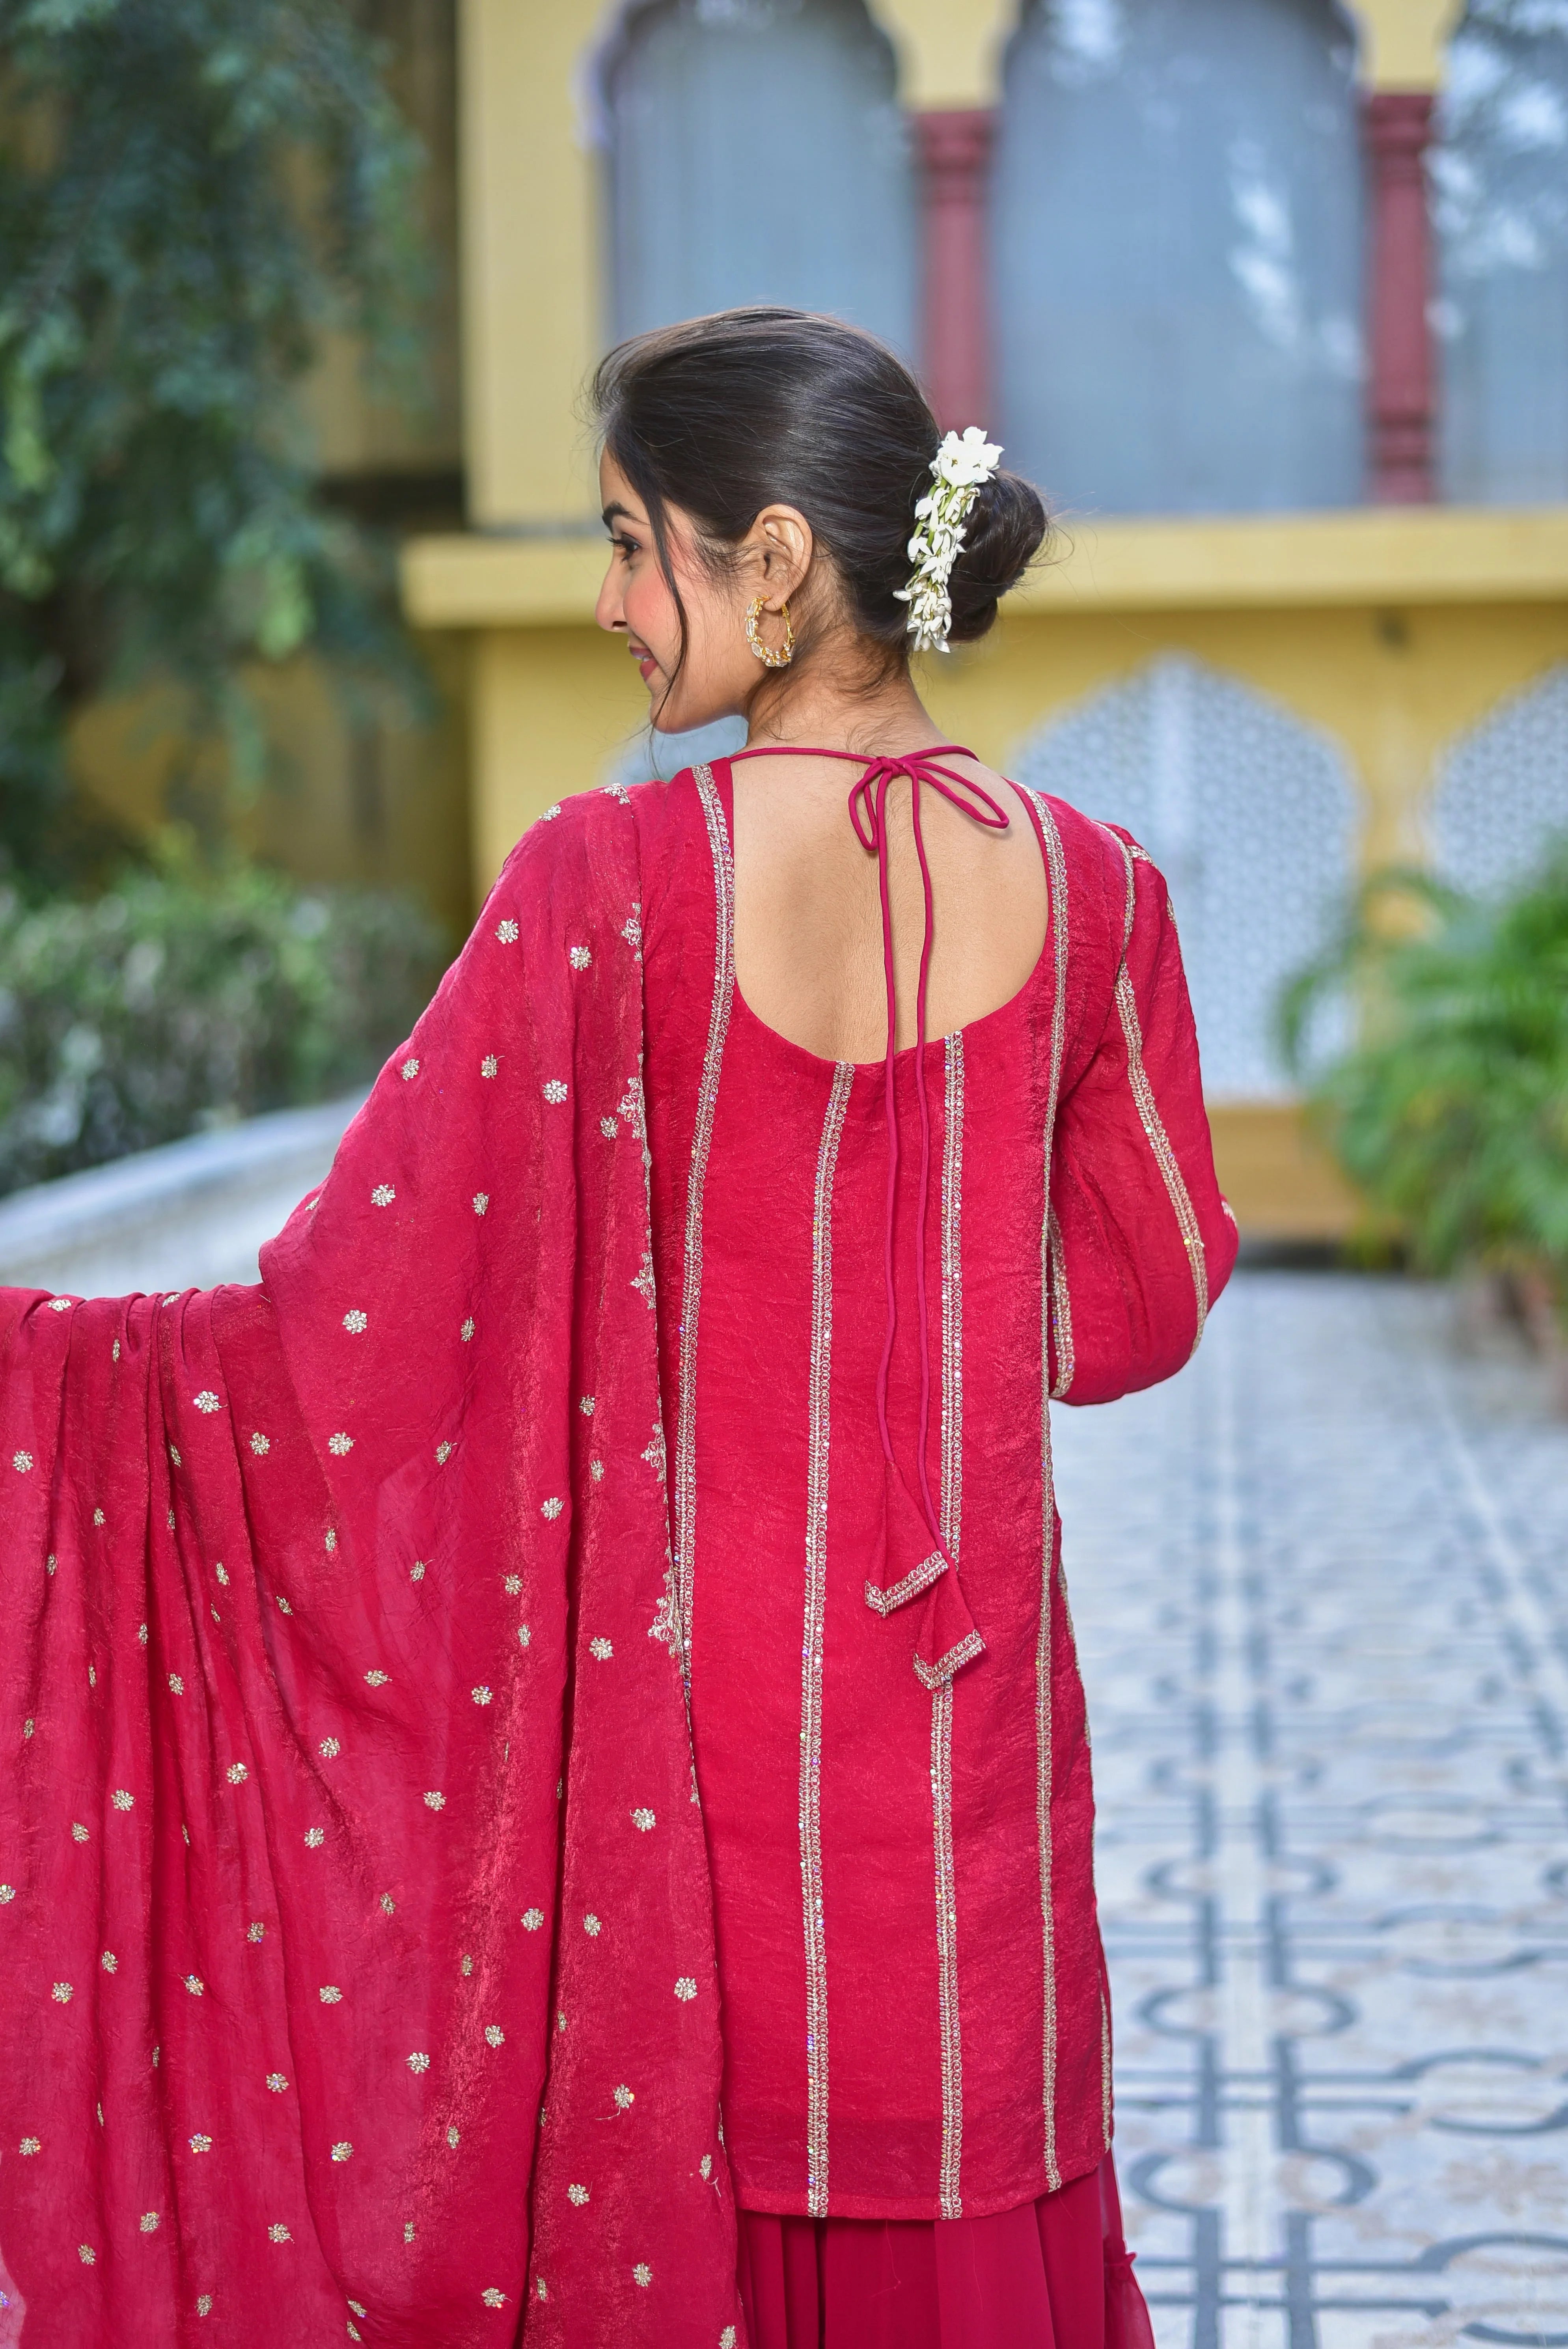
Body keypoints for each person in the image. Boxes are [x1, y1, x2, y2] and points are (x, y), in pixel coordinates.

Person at [0, 308, 1234, 2348]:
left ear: (768, 563)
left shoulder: (616, 887)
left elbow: (337, 1328)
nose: (604, 601)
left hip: (689, 1820)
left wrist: (49, 1374)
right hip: (972, 1800)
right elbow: (1140, 1307)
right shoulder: (1101, 894)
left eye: (626, 543)